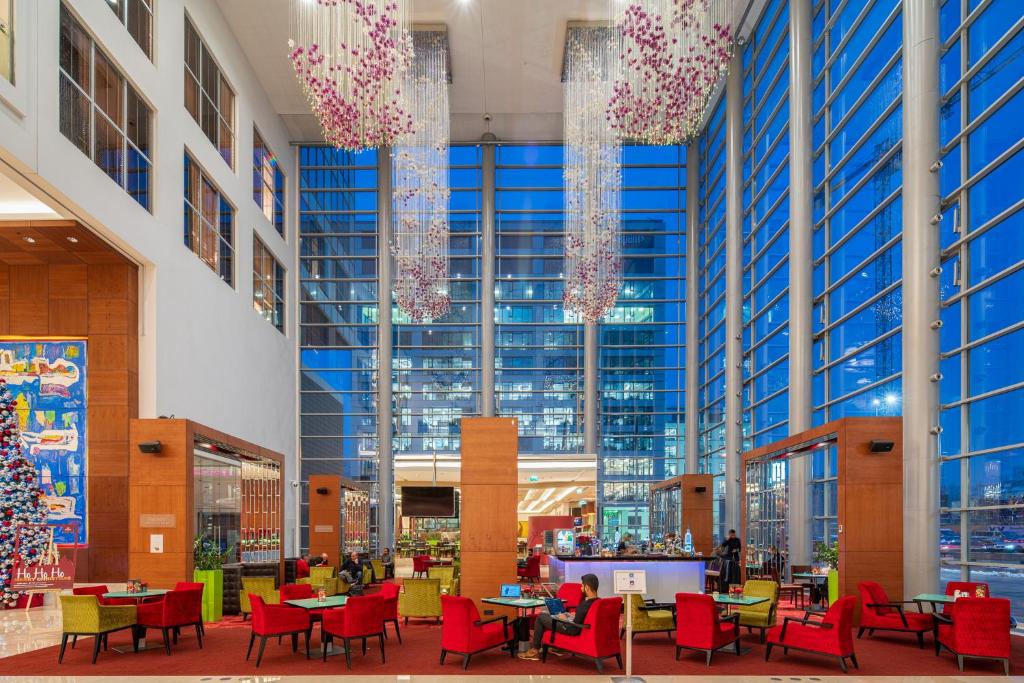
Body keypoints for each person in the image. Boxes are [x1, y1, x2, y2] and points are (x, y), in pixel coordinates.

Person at [519, 573, 600, 660]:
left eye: (582, 586)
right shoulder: (598, 602)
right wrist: (573, 615)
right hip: (578, 625)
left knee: (541, 617)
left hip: (571, 628)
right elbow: (586, 617)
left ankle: (535, 650)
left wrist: (565, 619)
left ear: (587, 587)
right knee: (551, 616)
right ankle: (556, 647)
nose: (581, 588)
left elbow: (576, 624)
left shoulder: (584, 604)